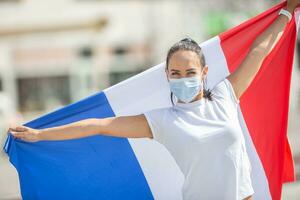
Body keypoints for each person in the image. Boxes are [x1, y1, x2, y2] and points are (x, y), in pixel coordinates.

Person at [7, 1, 299, 199]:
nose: (183, 78)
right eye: (176, 72)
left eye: (190, 72)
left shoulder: (225, 95)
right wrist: (40, 134)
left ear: (204, 72)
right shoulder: (161, 120)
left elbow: (258, 53)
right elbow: (98, 126)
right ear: (168, 77)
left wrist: (287, 11)